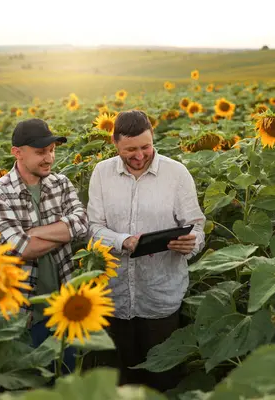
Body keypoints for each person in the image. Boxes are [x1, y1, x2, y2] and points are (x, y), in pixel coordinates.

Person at [86, 110, 206, 391]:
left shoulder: (176, 174)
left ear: (153, 139)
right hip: (114, 297)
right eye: (130, 149)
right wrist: (124, 241)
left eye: (145, 147)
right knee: (121, 381)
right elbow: (92, 228)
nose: (139, 155)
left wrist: (191, 243)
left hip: (160, 298)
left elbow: (196, 227)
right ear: (115, 143)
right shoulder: (102, 173)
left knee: (163, 380)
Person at [0, 118, 89, 372]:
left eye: (52, 150)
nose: (49, 158)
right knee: (30, 386)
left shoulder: (60, 184)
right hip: (23, 316)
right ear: (16, 153)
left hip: (65, 309)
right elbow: (22, 249)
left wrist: (33, 234)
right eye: (41, 152)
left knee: (68, 381)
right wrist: (64, 232)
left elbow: (82, 222)